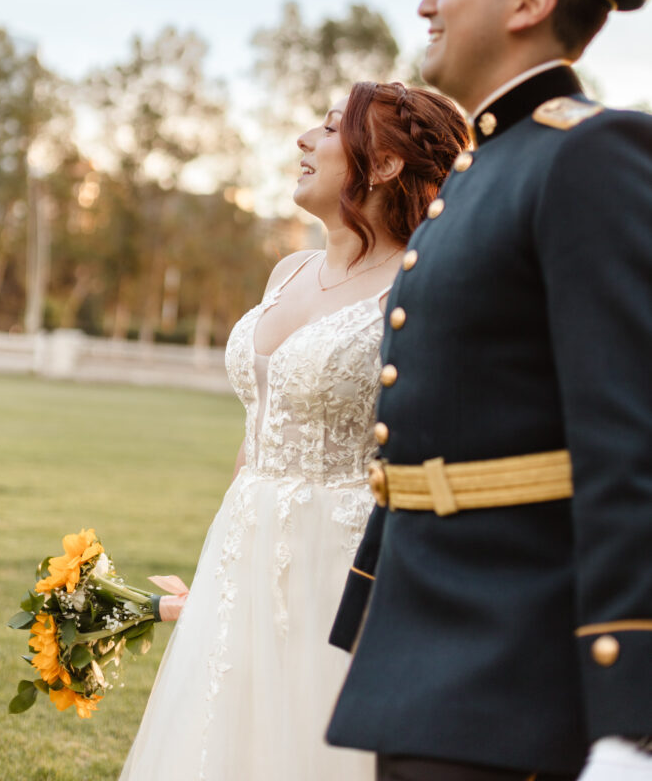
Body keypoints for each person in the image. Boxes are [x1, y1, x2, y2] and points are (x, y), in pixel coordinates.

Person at [327, 0, 652, 781]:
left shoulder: (588, 155)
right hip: (430, 660)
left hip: (521, 670)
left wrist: (630, 721)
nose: (425, 4)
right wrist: (364, 608)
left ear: (530, 1)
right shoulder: (479, 173)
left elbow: (628, 437)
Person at [119, 81, 468, 781]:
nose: (304, 139)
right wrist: (223, 554)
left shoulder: (421, 286)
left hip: (341, 557)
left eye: (331, 127)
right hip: (243, 539)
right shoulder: (289, 270)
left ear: (386, 164)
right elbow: (260, 429)